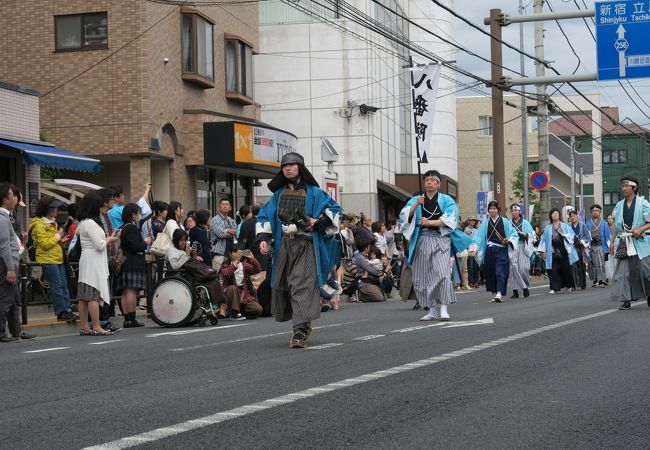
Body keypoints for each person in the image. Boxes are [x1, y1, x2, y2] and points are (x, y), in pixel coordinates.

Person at [256, 152, 341, 348]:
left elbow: (336, 211)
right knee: (283, 284)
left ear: (300, 168)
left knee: (300, 283)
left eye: (292, 165)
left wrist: (317, 221)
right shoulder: (278, 195)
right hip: (284, 244)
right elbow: (264, 216)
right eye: (285, 166)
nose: (288, 168)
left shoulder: (315, 193)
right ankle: (301, 324)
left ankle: (300, 329)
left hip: (306, 244)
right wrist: (263, 237)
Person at [399, 170, 473, 320]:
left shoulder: (446, 200)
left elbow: (451, 219)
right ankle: (431, 310)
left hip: (441, 239)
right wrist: (415, 205)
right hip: (422, 239)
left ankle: (444, 308)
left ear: (438, 184)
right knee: (423, 276)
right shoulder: (417, 199)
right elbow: (404, 216)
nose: (429, 182)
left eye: (433, 180)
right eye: (426, 180)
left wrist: (430, 222)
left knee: (442, 273)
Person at [76, 191, 120, 336]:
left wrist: (107, 238)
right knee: (94, 295)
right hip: (94, 260)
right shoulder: (91, 223)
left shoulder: (82, 222)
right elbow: (100, 245)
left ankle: (84, 326)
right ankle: (96, 326)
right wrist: (110, 240)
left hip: (86, 259)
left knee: (83, 296)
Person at [29, 196, 79, 322]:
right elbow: (44, 244)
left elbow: (51, 241)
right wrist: (58, 236)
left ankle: (67, 310)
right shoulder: (39, 225)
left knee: (63, 285)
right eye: (54, 208)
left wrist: (60, 240)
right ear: (47, 209)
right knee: (57, 286)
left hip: (57, 258)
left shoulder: (52, 222)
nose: (57, 209)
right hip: (48, 259)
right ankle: (62, 312)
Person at [609, 176, 650, 310]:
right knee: (622, 273)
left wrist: (640, 229)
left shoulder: (643, 203)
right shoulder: (619, 205)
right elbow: (615, 225)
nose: (624, 188)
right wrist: (612, 242)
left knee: (645, 271)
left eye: (627, 186)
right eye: (623, 186)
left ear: (634, 187)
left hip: (639, 241)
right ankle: (626, 299)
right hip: (623, 241)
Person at [0, 184, 34, 342]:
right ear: (5, 199)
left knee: (14, 298)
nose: (16, 198)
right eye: (13, 195)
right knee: (6, 299)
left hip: (12, 262)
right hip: (7, 264)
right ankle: (1, 332)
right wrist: (10, 268)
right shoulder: (2, 218)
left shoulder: (7, 216)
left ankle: (16, 329)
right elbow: (4, 245)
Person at [165, 229, 225, 317]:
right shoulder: (171, 250)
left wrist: (191, 255)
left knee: (213, 280)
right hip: (181, 277)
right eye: (182, 240)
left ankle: (219, 305)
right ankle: (214, 307)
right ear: (176, 240)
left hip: (189, 274)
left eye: (185, 240)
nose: (184, 243)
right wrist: (186, 255)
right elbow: (175, 266)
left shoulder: (182, 251)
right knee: (209, 281)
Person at [474, 201, 518, 303]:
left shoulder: (505, 222)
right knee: (491, 272)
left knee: (500, 271)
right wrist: (474, 248)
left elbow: (513, 234)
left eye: (494, 208)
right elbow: (479, 238)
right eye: (490, 208)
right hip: (489, 250)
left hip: (501, 249)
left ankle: (499, 292)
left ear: (498, 210)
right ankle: (496, 292)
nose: (492, 210)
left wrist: (509, 240)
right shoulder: (485, 224)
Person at [117, 203, 152, 327]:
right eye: (138, 213)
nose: (139, 215)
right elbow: (135, 246)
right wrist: (145, 242)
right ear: (133, 214)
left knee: (125, 291)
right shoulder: (131, 228)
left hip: (126, 262)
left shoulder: (123, 227)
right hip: (133, 262)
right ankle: (131, 318)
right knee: (131, 290)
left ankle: (127, 319)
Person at [538, 208, 578, 294]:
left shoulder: (565, 226)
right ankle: (554, 288)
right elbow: (544, 240)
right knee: (552, 269)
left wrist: (564, 235)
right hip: (552, 249)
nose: (555, 215)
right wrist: (543, 251)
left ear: (559, 215)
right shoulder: (548, 228)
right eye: (553, 214)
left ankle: (569, 285)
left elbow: (571, 235)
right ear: (551, 216)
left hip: (563, 248)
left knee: (566, 269)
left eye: (556, 213)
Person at [220, 247, 263, 320]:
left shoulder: (244, 265)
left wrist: (252, 259)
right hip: (230, 293)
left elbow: (257, 270)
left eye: (239, 252)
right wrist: (236, 260)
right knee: (233, 288)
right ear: (230, 254)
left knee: (258, 309)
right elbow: (226, 274)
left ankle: (240, 311)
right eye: (235, 252)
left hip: (243, 295)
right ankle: (234, 314)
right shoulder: (226, 264)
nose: (237, 254)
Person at [507, 205, 534, 298]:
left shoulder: (525, 223)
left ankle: (525, 287)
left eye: (516, 210)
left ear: (519, 212)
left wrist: (525, 234)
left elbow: (532, 234)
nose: (514, 212)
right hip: (512, 247)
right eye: (512, 210)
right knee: (513, 269)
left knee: (524, 268)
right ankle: (515, 291)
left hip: (523, 246)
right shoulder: (508, 223)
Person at [585, 204, 611, 287]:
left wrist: (609, 246)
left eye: (597, 211)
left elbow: (607, 237)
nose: (595, 212)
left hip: (601, 245)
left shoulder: (604, 223)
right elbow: (586, 236)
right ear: (591, 213)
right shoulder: (588, 223)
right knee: (594, 263)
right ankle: (596, 280)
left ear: (600, 212)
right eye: (593, 211)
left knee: (602, 263)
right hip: (592, 245)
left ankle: (602, 280)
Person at [210, 198, 237, 270]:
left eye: (227, 204)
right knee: (217, 275)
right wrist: (229, 231)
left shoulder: (231, 220)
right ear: (219, 207)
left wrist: (227, 231)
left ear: (230, 208)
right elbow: (221, 234)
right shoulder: (215, 219)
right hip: (219, 253)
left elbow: (235, 232)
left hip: (230, 253)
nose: (225, 206)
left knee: (228, 277)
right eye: (223, 204)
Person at [569, 209, 590, 291]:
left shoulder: (583, 226)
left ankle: (582, 284)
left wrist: (583, 241)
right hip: (572, 248)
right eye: (571, 217)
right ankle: (573, 285)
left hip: (580, 248)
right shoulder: (568, 227)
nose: (573, 218)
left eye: (574, 216)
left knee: (581, 266)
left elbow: (587, 236)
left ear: (577, 216)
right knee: (573, 267)